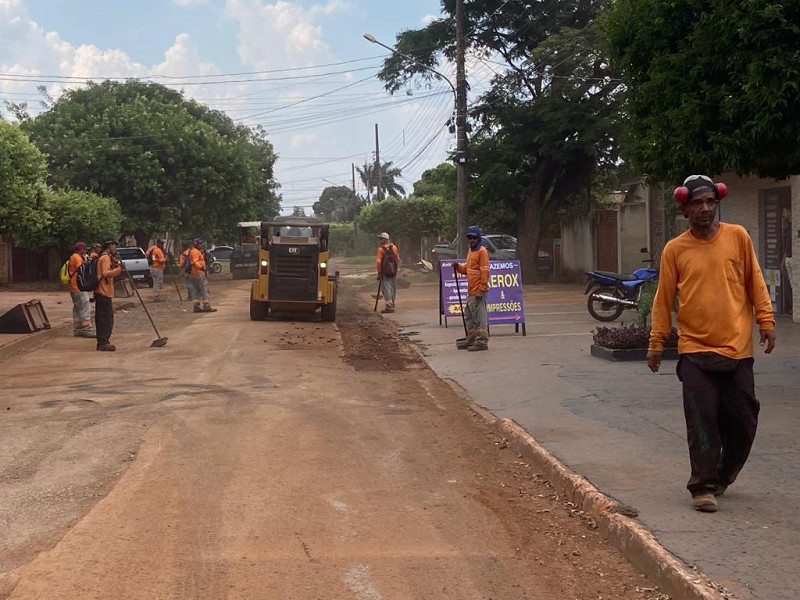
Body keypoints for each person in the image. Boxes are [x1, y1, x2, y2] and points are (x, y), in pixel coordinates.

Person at [647, 175, 775, 513]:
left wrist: (766, 319)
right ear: (685, 209)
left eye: (710, 202)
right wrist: (656, 342)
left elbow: (755, 281)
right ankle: (702, 486)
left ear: (717, 204)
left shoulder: (738, 237)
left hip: (737, 350)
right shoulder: (675, 249)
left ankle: (723, 476)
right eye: (697, 204)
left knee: (744, 420)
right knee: (701, 418)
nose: (705, 209)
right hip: (694, 351)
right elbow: (663, 300)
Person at [454, 226, 490, 351]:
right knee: (469, 315)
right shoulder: (471, 251)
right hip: (471, 290)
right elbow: (468, 269)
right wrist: (458, 267)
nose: (472, 239)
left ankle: (482, 341)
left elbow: (485, 271)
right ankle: (472, 338)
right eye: (470, 237)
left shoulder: (482, 251)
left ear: (478, 237)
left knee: (479, 317)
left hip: (478, 290)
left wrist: (482, 289)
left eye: (474, 237)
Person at [94, 236, 122, 351]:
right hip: (103, 292)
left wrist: (115, 265)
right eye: (114, 245)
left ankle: (102, 341)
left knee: (103, 318)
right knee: (106, 319)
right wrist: (119, 269)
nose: (115, 247)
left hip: (101, 292)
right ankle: (103, 342)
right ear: (110, 245)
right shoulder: (105, 258)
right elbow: (105, 273)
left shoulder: (104, 257)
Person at [67, 242, 95, 338]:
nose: (86, 251)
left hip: (74, 286)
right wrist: (88, 261)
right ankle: (86, 329)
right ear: (81, 249)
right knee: (84, 306)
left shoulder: (74, 257)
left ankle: (78, 329)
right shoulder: (77, 258)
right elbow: (82, 269)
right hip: (78, 286)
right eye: (85, 249)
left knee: (78, 307)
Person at [186, 237, 217, 313]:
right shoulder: (195, 252)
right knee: (204, 289)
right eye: (200, 244)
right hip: (198, 274)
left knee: (195, 291)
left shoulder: (194, 251)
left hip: (193, 274)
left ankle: (196, 307)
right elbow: (195, 262)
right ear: (196, 244)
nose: (202, 245)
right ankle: (206, 306)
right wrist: (201, 267)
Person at [375, 232, 399, 313]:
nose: (380, 240)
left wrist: (379, 272)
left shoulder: (381, 249)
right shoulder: (394, 247)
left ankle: (389, 307)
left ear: (385, 239)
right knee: (393, 288)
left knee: (386, 289)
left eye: (381, 239)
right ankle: (392, 303)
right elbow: (397, 259)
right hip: (393, 271)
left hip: (385, 272)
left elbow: (378, 262)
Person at [782, 206, 793, 310]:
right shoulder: (786, 227)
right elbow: (786, 246)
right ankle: (791, 307)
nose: (783, 214)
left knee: (794, 284)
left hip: (793, 258)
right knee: (790, 284)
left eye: (784, 212)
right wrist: (783, 261)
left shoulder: (793, 226)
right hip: (788, 258)